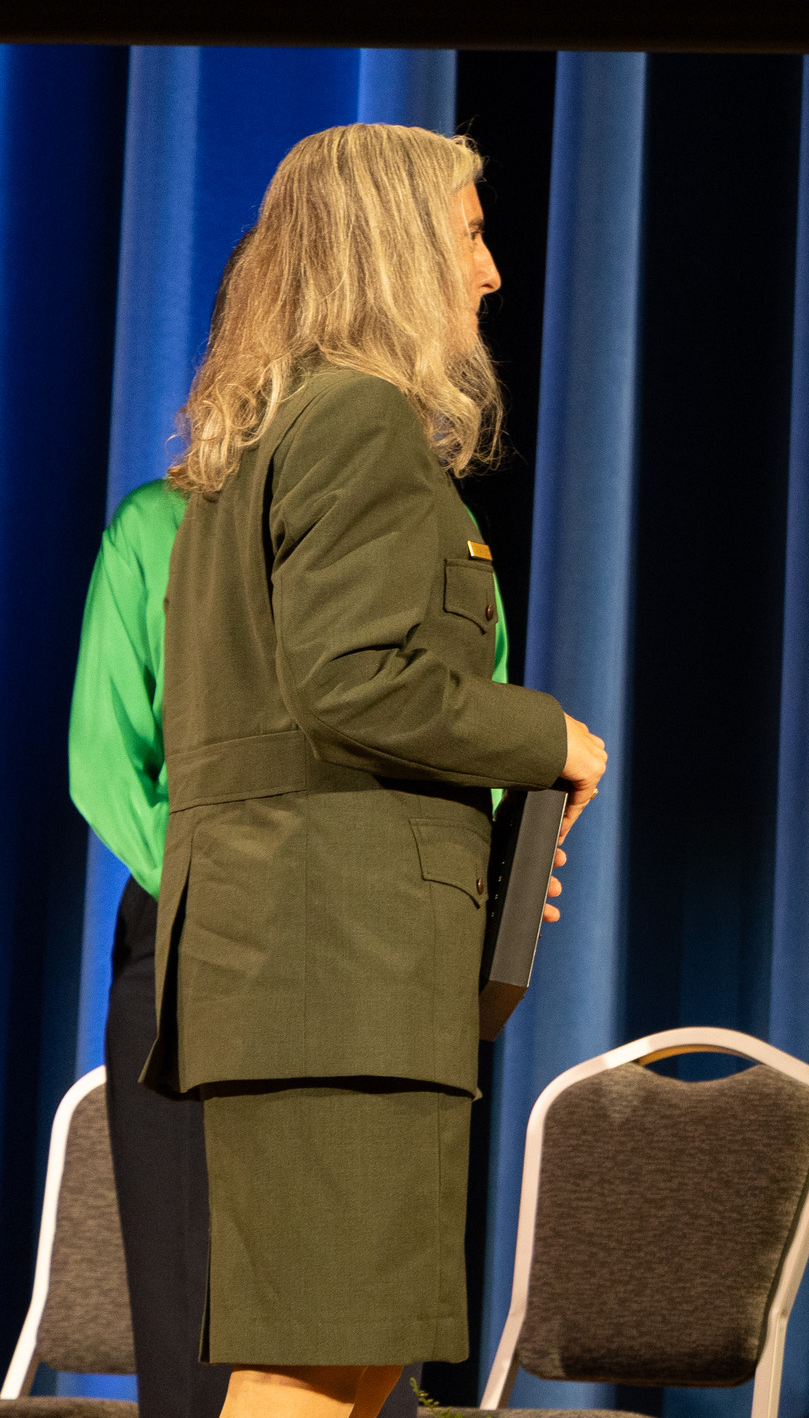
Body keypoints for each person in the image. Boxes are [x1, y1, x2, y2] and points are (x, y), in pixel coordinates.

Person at [146, 124, 608, 1418]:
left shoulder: (280, 430)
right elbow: (355, 684)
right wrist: (545, 738)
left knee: (360, 1351)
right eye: (470, 232)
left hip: (333, 960)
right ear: (398, 246)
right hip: (325, 968)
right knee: (313, 1355)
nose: (494, 271)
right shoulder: (353, 421)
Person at [70, 463, 514, 1418]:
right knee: (204, 1334)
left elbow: (473, 723)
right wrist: (227, 890)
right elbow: (105, 756)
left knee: (371, 1323)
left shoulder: (438, 519)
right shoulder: (160, 524)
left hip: (381, 940)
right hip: (202, 927)